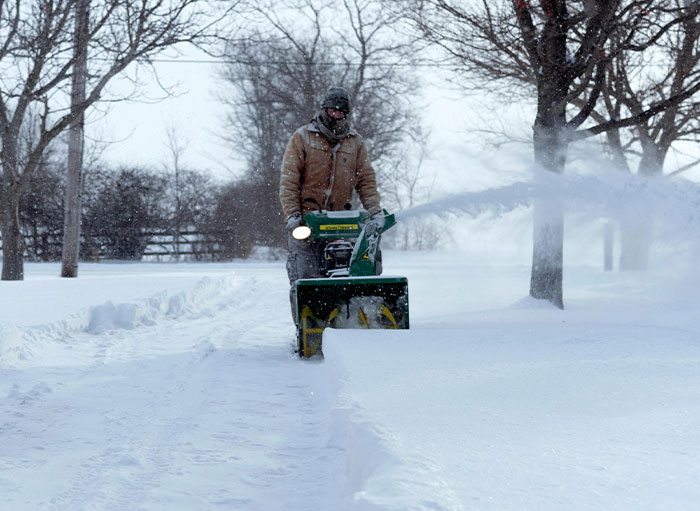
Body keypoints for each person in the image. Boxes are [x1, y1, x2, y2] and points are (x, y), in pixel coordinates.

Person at [279, 86, 383, 323]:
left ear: (346, 114)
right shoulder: (303, 137)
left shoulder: (355, 143)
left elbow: (366, 180)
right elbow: (289, 181)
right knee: (305, 277)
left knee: (367, 262)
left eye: (340, 111)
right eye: (331, 110)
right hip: (308, 222)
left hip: (342, 222)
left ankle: (361, 318)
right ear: (324, 109)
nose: (335, 114)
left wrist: (375, 211)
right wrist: (293, 215)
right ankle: (307, 327)